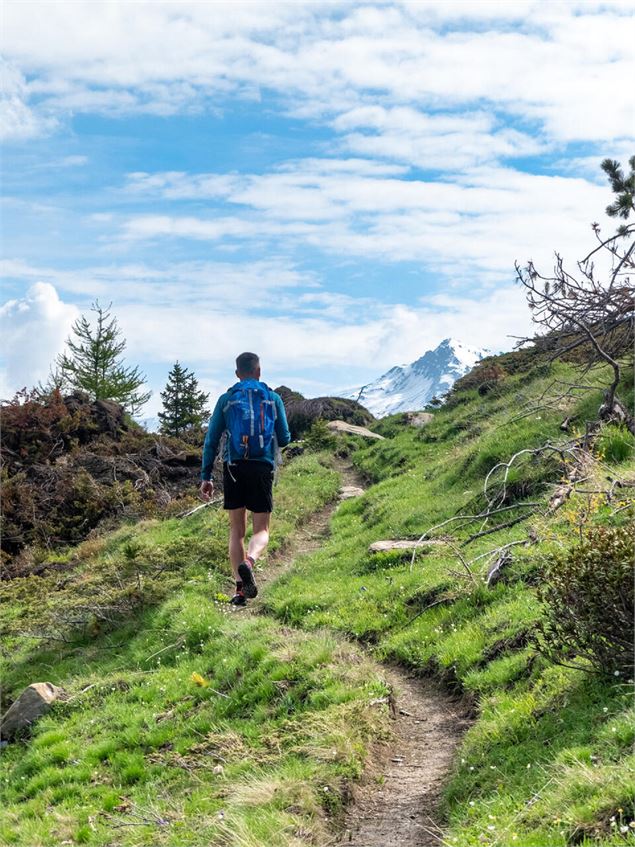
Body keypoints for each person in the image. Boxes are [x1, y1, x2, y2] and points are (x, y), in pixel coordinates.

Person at [200, 352, 291, 606]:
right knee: (261, 528)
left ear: (237, 373)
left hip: (234, 468)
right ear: (259, 371)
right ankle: (249, 562)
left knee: (236, 530)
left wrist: (205, 476)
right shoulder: (273, 399)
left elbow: (211, 440)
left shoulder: (227, 399)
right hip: (262, 467)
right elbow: (284, 438)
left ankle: (240, 591)